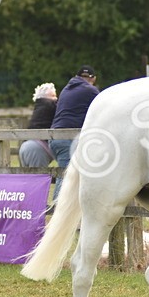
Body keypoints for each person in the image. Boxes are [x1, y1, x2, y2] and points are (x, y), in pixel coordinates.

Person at [50, 66, 100, 201]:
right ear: (93, 79)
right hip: (67, 138)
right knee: (65, 176)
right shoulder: (90, 90)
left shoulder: (66, 88)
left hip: (54, 138)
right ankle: (56, 208)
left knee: (68, 174)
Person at [20, 82, 58, 168]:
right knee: (39, 176)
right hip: (37, 148)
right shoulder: (49, 105)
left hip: (25, 146)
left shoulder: (39, 107)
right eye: (53, 96)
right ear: (44, 97)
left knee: (29, 176)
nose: (56, 98)